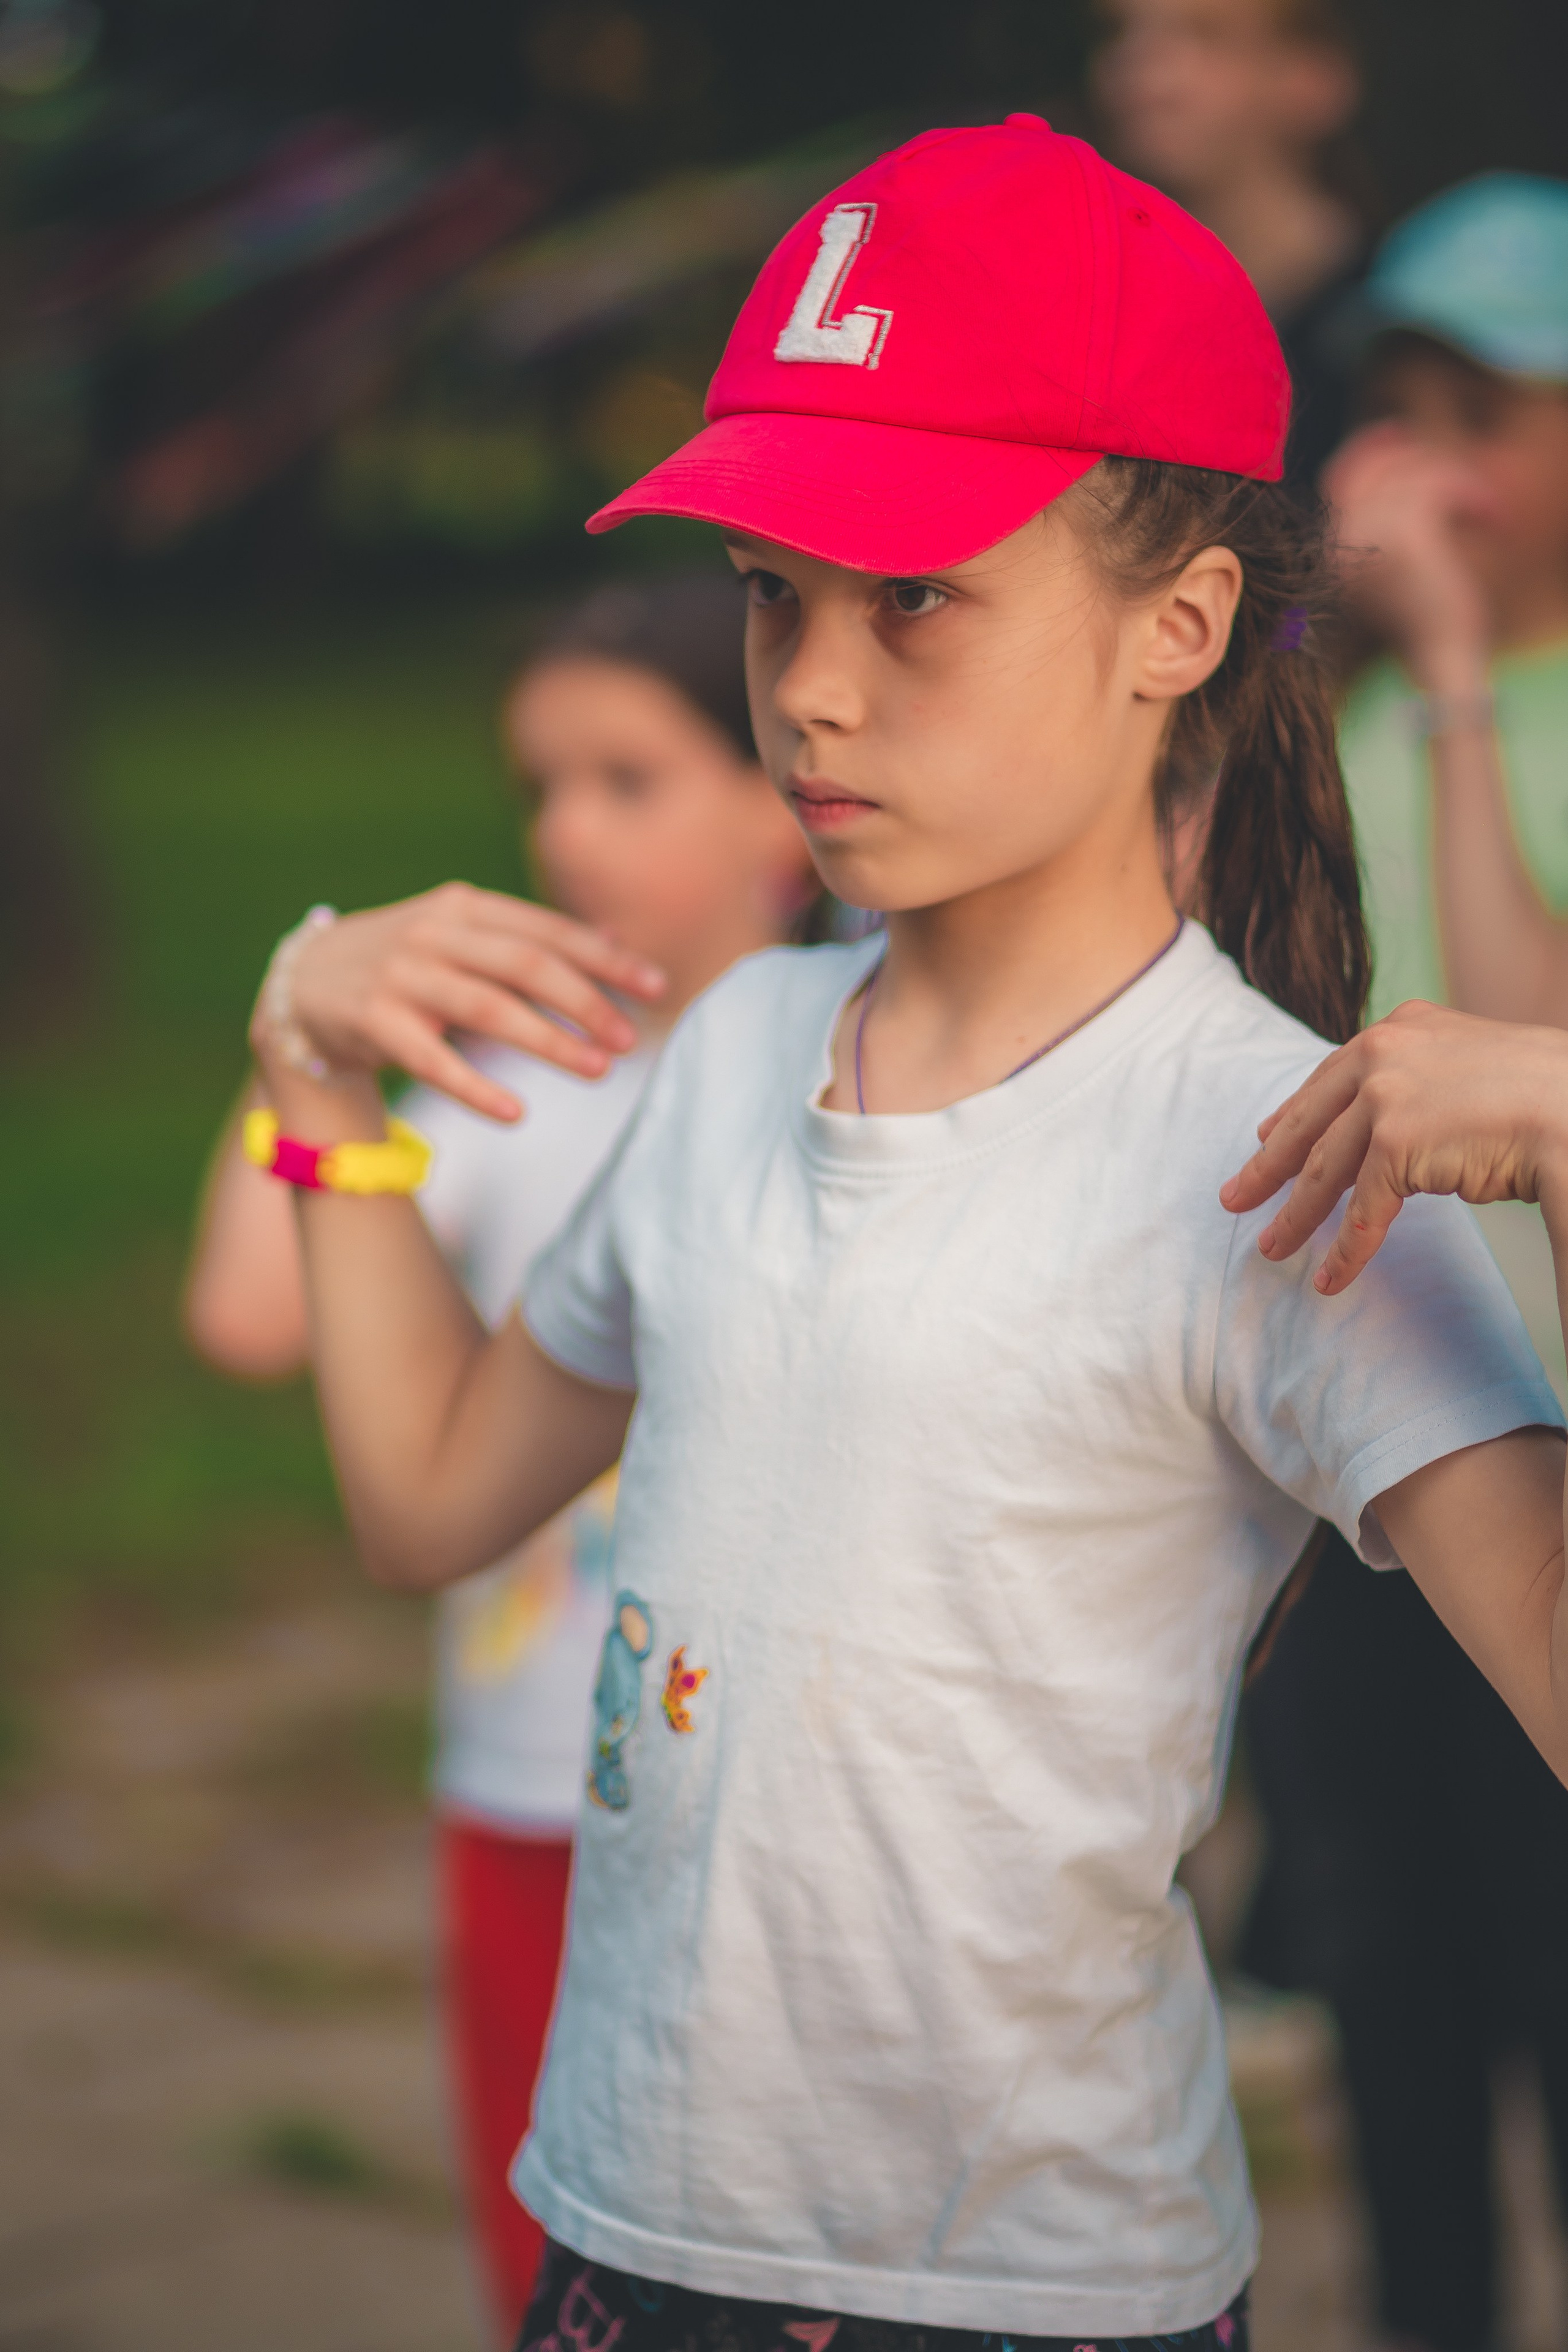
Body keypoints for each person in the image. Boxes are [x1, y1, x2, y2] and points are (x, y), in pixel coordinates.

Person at [235, 120, 1568, 2352]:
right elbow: (428, 1501)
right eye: (772, 590)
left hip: (1031, 2303)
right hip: (611, 2237)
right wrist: (316, 1096)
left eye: (914, 595)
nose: (814, 688)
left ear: (1179, 624)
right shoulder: (736, 1050)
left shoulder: (1274, 1155)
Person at [183, 571, 811, 2343]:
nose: (563, 828)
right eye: (541, 784)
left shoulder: (860, 1070)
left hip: (767, 1809)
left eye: (629, 779)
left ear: (786, 792)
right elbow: (247, 1311)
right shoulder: (499, 1079)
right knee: (547, 2250)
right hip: (532, 1775)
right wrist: (309, 1027)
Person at [1234, 175, 1568, 2352]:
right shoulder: (1312, 705)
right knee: (1385, 1998)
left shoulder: (1491, 702)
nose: (1427, 449)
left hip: (1540, 1459)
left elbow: (1522, 1030)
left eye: (1484, 402)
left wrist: (1453, 681)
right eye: (1400, 398)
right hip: (1359, 1463)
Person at [1092, 0, 1368, 481]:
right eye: (1121, 36)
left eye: (1205, 36)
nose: (1144, 78)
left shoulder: (1393, 321)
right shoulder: (1096, 308)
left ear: (1314, 78)